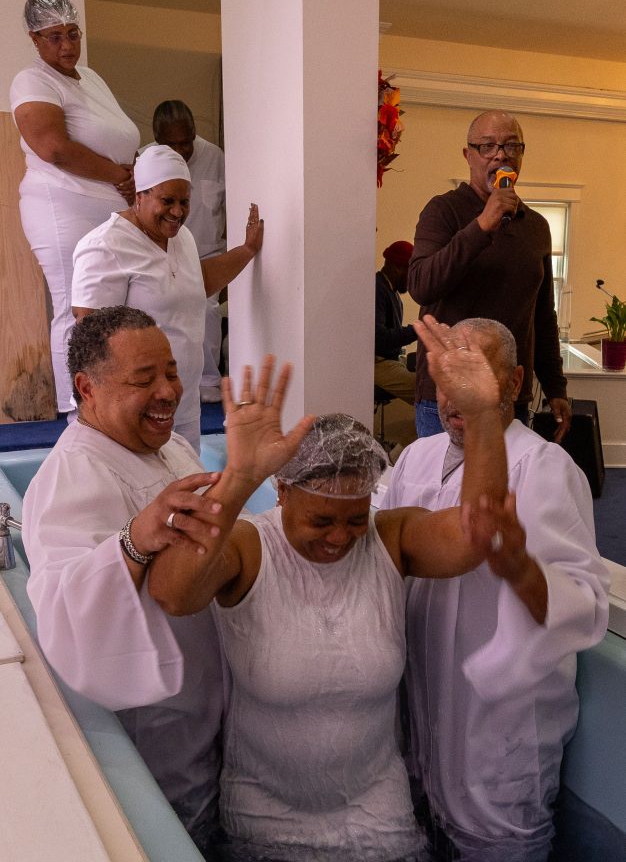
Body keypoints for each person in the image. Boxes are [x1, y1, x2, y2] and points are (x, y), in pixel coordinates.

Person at [149, 316, 515, 862]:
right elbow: (173, 594)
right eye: (320, 521)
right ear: (282, 491)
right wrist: (239, 478)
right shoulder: (250, 547)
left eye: (353, 519)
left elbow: (474, 534)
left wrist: (484, 415)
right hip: (263, 820)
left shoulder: (390, 539)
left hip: (379, 817)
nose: (339, 537)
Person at [382, 318, 609, 862]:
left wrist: (519, 567)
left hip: (498, 740)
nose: (455, 395)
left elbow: (583, 607)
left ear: (514, 381)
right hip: (421, 721)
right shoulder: (416, 458)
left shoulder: (545, 469)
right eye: (446, 376)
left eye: (474, 374)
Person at [21, 306, 237, 856]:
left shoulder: (171, 448)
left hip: (210, 705)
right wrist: (134, 540)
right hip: (156, 732)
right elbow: (64, 609)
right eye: (144, 380)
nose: (168, 392)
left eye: (171, 371)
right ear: (86, 388)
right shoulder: (72, 475)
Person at [71, 144, 263, 452]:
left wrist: (247, 250)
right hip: (132, 412)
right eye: (167, 201)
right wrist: (108, 412)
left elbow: (197, 283)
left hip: (183, 404)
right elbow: (89, 335)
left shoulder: (181, 237)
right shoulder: (106, 246)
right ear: (140, 195)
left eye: (184, 202)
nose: (177, 212)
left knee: (187, 478)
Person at [10, 0, 139, 414]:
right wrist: (121, 176)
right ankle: (75, 411)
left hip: (110, 205)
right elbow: (53, 148)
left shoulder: (90, 77)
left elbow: (117, 137)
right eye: (54, 37)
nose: (66, 45)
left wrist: (134, 174)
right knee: (74, 305)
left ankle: (112, 404)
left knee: (113, 309)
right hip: (62, 204)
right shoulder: (32, 81)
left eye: (73, 33)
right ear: (34, 39)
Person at [408, 109, 571, 441]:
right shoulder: (443, 211)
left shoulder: (537, 227)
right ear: (468, 155)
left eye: (511, 146)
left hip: (509, 395)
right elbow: (422, 285)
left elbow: (543, 316)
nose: (500, 155)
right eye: (487, 146)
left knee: (506, 477)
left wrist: (555, 387)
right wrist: (482, 225)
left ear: (521, 155)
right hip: (446, 396)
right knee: (445, 478)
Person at [146, 100, 226, 403]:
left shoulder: (215, 157)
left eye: (187, 142)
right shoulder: (146, 159)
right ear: (157, 140)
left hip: (206, 253)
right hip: (160, 253)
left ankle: (208, 379)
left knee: (207, 309)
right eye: (172, 145)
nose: (181, 151)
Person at [375, 240, 417, 404]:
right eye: (411, 272)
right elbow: (379, 339)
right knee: (424, 390)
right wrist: (417, 330)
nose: (412, 280)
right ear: (396, 267)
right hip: (376, 362)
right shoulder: (377, 289)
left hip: (390, 359)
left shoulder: (392, 292)